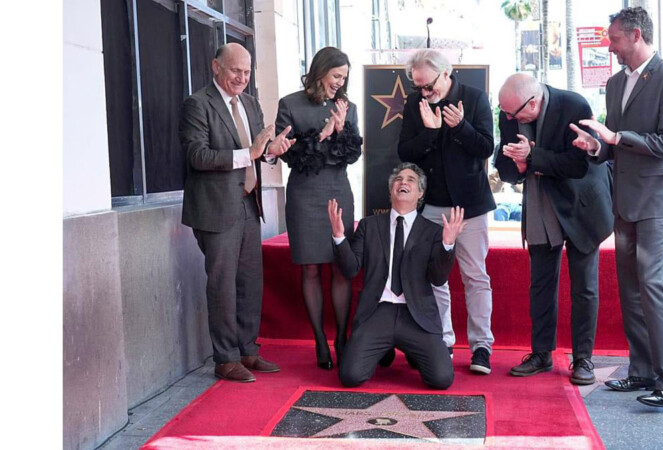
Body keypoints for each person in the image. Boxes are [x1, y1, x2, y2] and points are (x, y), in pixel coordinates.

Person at [569, 7, 663, 407]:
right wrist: (596, 146)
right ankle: (641, 372)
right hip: (623, 200)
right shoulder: (615, 82)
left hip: (657, 201)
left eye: (615, 39)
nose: (610, 47)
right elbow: (613, 144)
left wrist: (616, 138)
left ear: (636, 35)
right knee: (631, 290)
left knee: (652, 287)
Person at [181, 43, 294, 382]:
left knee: (249, 283)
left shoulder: (251, 103)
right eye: (235, 71)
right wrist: (250, 153)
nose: (242, 78)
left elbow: (258, 152)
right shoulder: (197, 104)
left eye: (246, 72)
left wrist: (272, 152)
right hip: (216, 208)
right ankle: (226, 359)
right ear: (216, 67)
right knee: (223, 286)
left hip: (249, 203)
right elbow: (197, 156)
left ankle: (247, 350)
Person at [494, 73, 613, 385]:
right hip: (540, 203)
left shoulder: (573, 105)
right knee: (541, 284)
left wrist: (532, 158)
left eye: (513, 113)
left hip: (580, 203)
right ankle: (541, 353)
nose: (509, 119)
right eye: (506, 113)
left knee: (584, 286)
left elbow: (578, 165)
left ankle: (583, 358)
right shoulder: (509, 111)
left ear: (533, 103)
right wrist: (519, 167)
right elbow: (504, 164)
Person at [397, 49, 496, 374]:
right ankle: (442, 341)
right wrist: (429, 131)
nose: (424, 92)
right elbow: (404, 152)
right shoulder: (416, 104)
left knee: (475, 276)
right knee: (435, 278)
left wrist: (460, 127)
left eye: (428, 86)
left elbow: (486, 148)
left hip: (471, 204)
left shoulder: (475, 98)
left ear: (445, 73)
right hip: (432, 205)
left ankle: (481, 347)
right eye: (418, 87)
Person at [329, 163, 465, 389]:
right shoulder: (369, 226)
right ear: (391, 190)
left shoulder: (433, 231)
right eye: (398, 179)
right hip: (377, 312)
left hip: (416, 316)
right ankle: (385, 350)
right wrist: (339, 237)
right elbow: (351, 269)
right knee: (350, 376)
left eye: (411, 180)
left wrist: (448, 245)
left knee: (441, 379)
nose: (403, 182)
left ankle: (410, 351)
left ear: (420, 193)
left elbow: (438, 278)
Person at [275, 47, 363, 370]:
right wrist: (324, 134)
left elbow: (352, 154)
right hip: (304, 195)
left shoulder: (347, 107)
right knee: (310, 268)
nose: (340, 83)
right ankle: (320, 340)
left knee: (340, 265)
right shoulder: (290, 104)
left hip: (338, 191)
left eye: (344, 78)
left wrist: (341, 130)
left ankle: (342, 339)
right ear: (320, 71)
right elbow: (290, 156)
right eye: (336, 76)